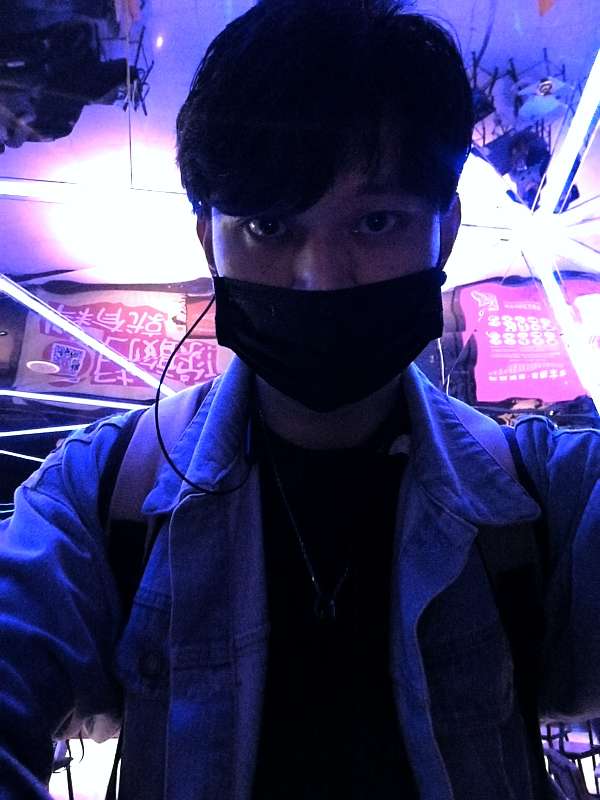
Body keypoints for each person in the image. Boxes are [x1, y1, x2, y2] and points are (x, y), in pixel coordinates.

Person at [0, 1, 598, 798]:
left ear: (446, 231)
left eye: (376, 221)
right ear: (207, 238)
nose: (320, 278)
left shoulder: (550, 498)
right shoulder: (97, 495)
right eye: (269, 226)